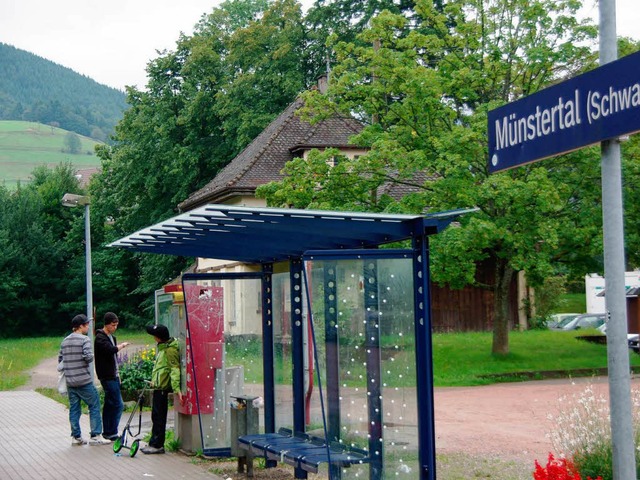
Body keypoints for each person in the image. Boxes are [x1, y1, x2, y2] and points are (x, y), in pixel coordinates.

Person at [58, 314, 111, 446]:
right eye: (87, 325)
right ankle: (96, 435)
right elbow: (88, 357)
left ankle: (76, 437)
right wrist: (91, 356)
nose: (88, 327)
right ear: (80, 326)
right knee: (94, 405)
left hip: (70, 382)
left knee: (74, 409)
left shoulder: (64, 341)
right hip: (83, 380)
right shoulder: (84, 340)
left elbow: (60, 361)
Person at [141, 324, 182, 454]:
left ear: (158, 337)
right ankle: (153, 442)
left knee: (159, 417)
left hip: (163, 388)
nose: (153, 338)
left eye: (154, 335)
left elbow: (174, 369)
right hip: (158, 386)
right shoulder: (163, 348)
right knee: (155, 415)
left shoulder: (170, 350)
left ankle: (158, 445)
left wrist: (177, 389)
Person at [94, 311, 130, 440]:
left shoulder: (111, 337)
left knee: (110, 404)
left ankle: (108, 431)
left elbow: (113, 357)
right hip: (106, 375)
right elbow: (110, 350)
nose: (115, 328)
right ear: (107, 324)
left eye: (116, 325)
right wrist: (121, 346)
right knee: (118, 404)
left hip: (113, 374)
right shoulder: (100, 337)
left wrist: (118, 373)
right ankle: (112, 431)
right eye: (113, 325)